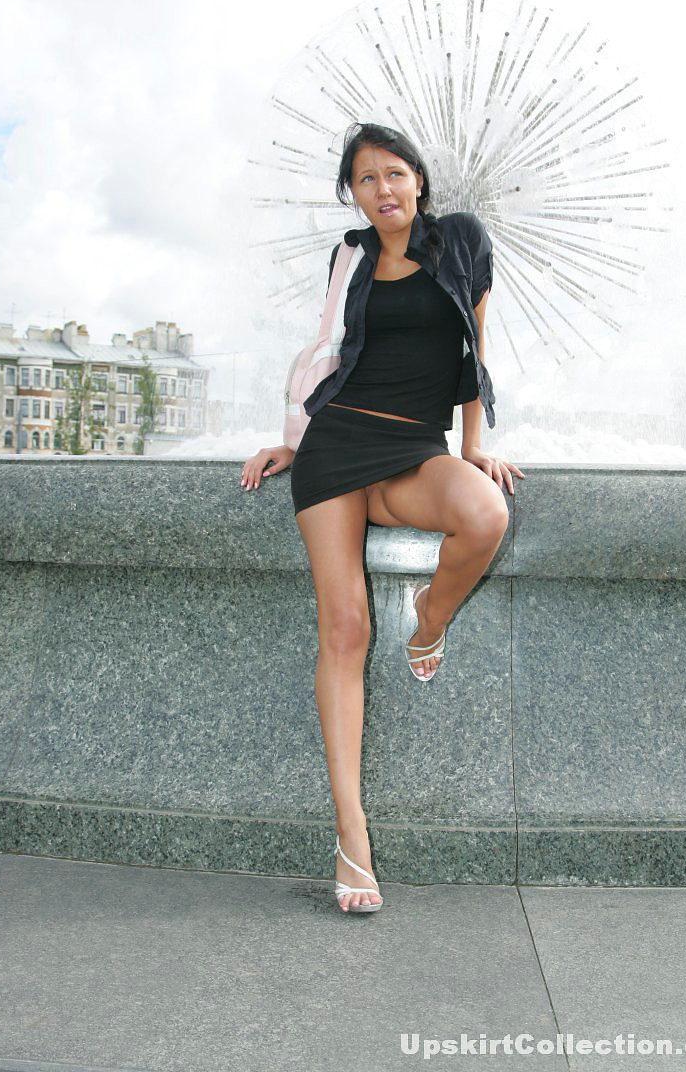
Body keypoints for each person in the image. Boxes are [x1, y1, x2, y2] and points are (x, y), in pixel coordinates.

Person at [240, 122, 525, 914]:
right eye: (366, 179)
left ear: (419, 180)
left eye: (394, 173)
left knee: (484, 513)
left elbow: (474, 346)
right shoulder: (350, 255)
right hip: (338, 446)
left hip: (412, 447)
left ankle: (430, 619)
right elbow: (323, 350)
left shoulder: (461, 240)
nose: (383, 189)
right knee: (346, 628)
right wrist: (293, 440)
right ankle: (351, 833)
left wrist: (473, 448)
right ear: (355, 194)